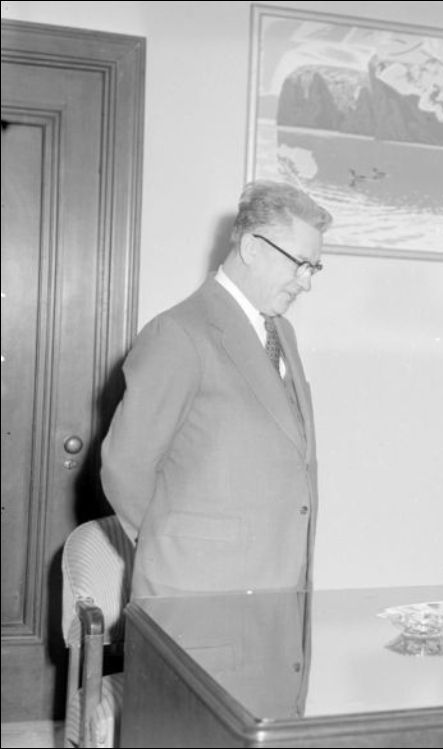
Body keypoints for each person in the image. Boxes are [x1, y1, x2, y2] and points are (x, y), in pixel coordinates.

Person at [101, 180, 332, 597]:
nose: (306, 283)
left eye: (313, 268)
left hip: (278, 589)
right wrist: (173, 547)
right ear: (252, 248)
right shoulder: (178, 333)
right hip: (198, 593)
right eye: (299, 264)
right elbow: (124, 467)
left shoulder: (282, 333)